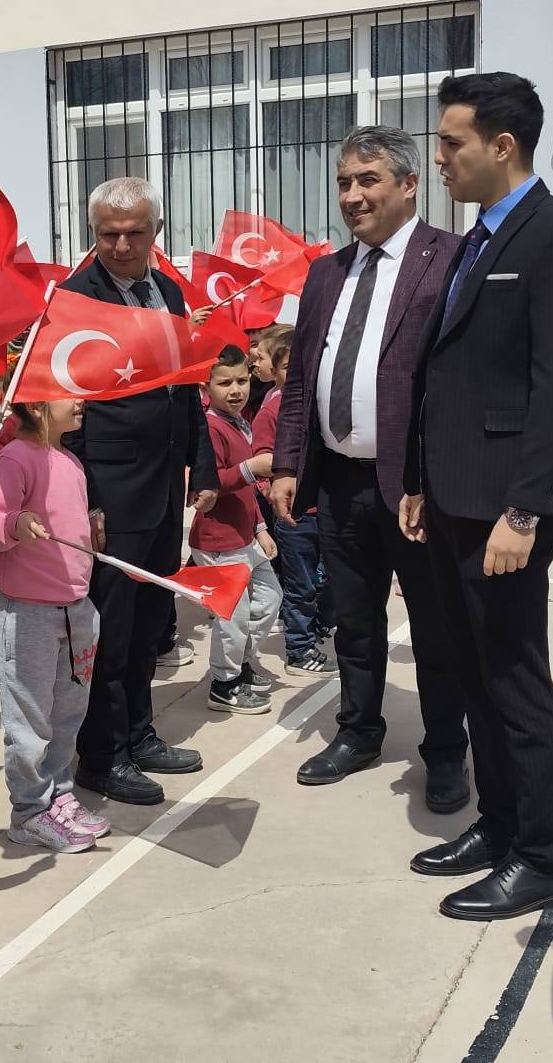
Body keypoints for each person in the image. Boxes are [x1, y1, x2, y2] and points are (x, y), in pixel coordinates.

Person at [401, 72, 553, 921]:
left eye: (452, 143)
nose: (440, 159)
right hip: (453, 497)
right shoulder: (476, 240)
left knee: (515, 680)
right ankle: (500, 824)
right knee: (474, 673)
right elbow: (448, 373)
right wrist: (419, 478)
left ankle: (541, 855)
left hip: (505, 511)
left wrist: (526, 510)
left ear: (503, 145)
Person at [268, 124, 471, 804]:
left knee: (437, 627)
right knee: (354, 620)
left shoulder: (451, 259)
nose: (352, 196)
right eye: (344, 182)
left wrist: (433, 479)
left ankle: (445, 751)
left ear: (410, 185)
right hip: (340, 480)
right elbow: (302, 379)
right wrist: (288, 462)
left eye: (367, 180)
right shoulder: (326, 272)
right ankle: (358, 731)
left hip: (416, 489)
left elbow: (460, 379)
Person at [62, 176, 221, 807]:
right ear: (93, 234)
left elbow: (186, 389)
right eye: (109, 234)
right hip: (111, 491)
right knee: (113, 630)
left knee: (152, 622)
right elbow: (66, 412)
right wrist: (85, 502)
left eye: (135, 233)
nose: (122, 246)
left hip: (163, 488)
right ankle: (102, 756)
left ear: (157, 232)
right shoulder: (76, 300)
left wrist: (201, 468)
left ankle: (138, 732)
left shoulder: (168, 291)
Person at [0, 396, 108, 854]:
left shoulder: (70, 460)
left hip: (75, 608)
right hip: (27, 614)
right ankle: (30, 811)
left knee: (66, 714)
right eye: (66, 393)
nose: (81, 400)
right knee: (29, 721)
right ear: (35, 407)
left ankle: (59, 794)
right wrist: (16, 523)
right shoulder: (15, 458)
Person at [191, 346, 281, 715]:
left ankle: (240, 664)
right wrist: (251, 468)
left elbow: (246, 492)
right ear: (205, 387)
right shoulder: (210, 428)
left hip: (245, 537)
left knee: (270, 599)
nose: (235, 390)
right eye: (224, 383)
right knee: (233, 616)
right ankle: (224, 683)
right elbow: (210, 482)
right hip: (218, 541)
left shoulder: (239, 421)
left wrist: (260, 527)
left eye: (242, 381)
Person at [249, 329, 336, 681]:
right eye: (287, 367)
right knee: (301, 586)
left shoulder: (322, 402)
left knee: (329, 579)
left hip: (327, 509)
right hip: (295, 517)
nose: (297, 372)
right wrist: (273, 488)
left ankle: (317, 625)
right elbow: (261, 459)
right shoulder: (273, 410)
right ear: (274, 370)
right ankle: (299, 650)